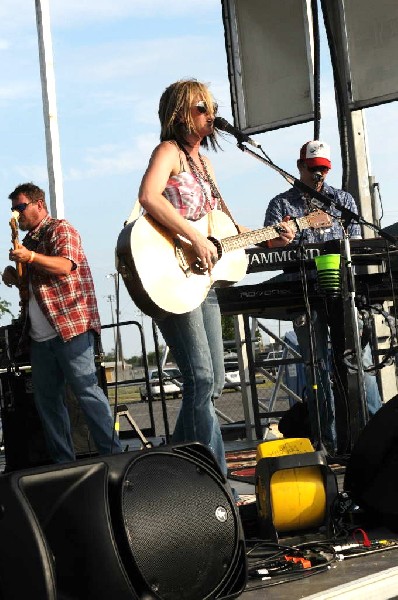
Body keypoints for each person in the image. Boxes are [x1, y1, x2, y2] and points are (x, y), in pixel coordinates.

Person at [136, 78, 268, 491]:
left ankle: (171, 472)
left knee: (214, 381)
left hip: (203, 281)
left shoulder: (205, 166)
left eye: (211, 107)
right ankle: (216, 480)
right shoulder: (168, 152)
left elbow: (221, 226)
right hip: (171, 275)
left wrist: (269, 234)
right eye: (200, 108)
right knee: (200, 378)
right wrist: (192, 238)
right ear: (179, 113)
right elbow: (148, 196)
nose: (209, 115)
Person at [264, 140, 382, 453]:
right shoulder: (281, 205)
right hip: (303, 294)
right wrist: (281, 239)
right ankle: (324, 442)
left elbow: (355, 247)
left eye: (323, 169)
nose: (319, 174)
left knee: (358, 361)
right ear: (300, 166)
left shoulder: (342, 200)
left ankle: (369, 439)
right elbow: (268, 248)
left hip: (343, 293)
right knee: (315, 367)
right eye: (313, 168)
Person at [2, 182, 122, 463]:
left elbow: (65, 265)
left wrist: (30, 257)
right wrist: (15, 276)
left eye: (20, 208)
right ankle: (63, 465)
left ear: (39, 204)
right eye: (13, 210)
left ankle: (114, 457)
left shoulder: (60, 229)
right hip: (41, 337)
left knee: (87, 393)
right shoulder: (28, 241)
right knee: (48, 405)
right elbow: (35, 286)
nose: (16, 215)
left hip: (71, 328)